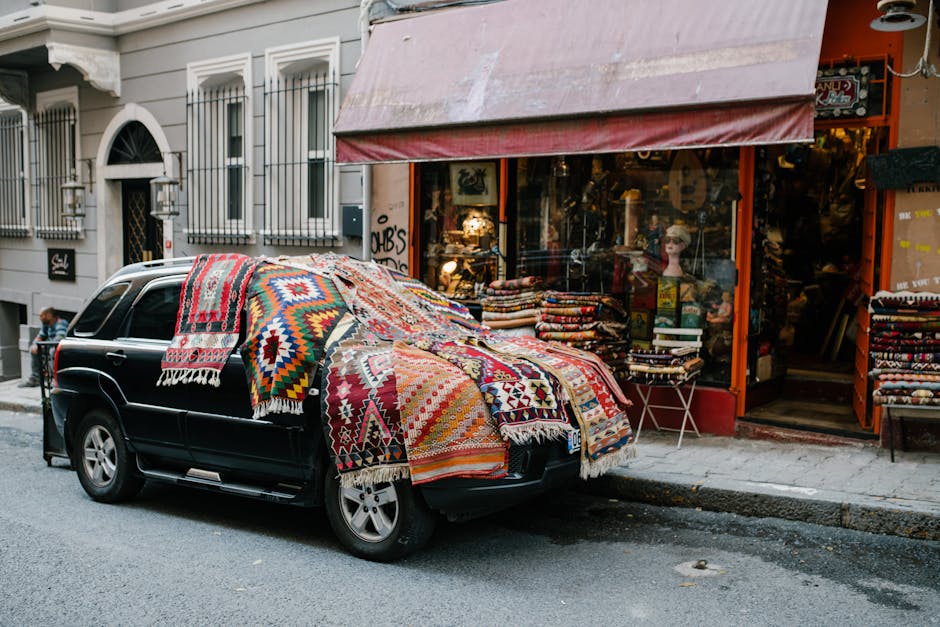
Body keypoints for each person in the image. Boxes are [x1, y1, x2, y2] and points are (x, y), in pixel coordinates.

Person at [19, 306, 68, 388]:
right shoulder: (46, 324)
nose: (40, 318)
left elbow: (60, 338)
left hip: (60, 348)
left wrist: (44, 345)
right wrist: (36, 345)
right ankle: (36, 378)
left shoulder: (60, 323)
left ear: (49, 315)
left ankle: (56, 379)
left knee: (52, 351)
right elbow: (40, 336)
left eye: (42, 315)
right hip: (49, 346)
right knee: (33, 350)